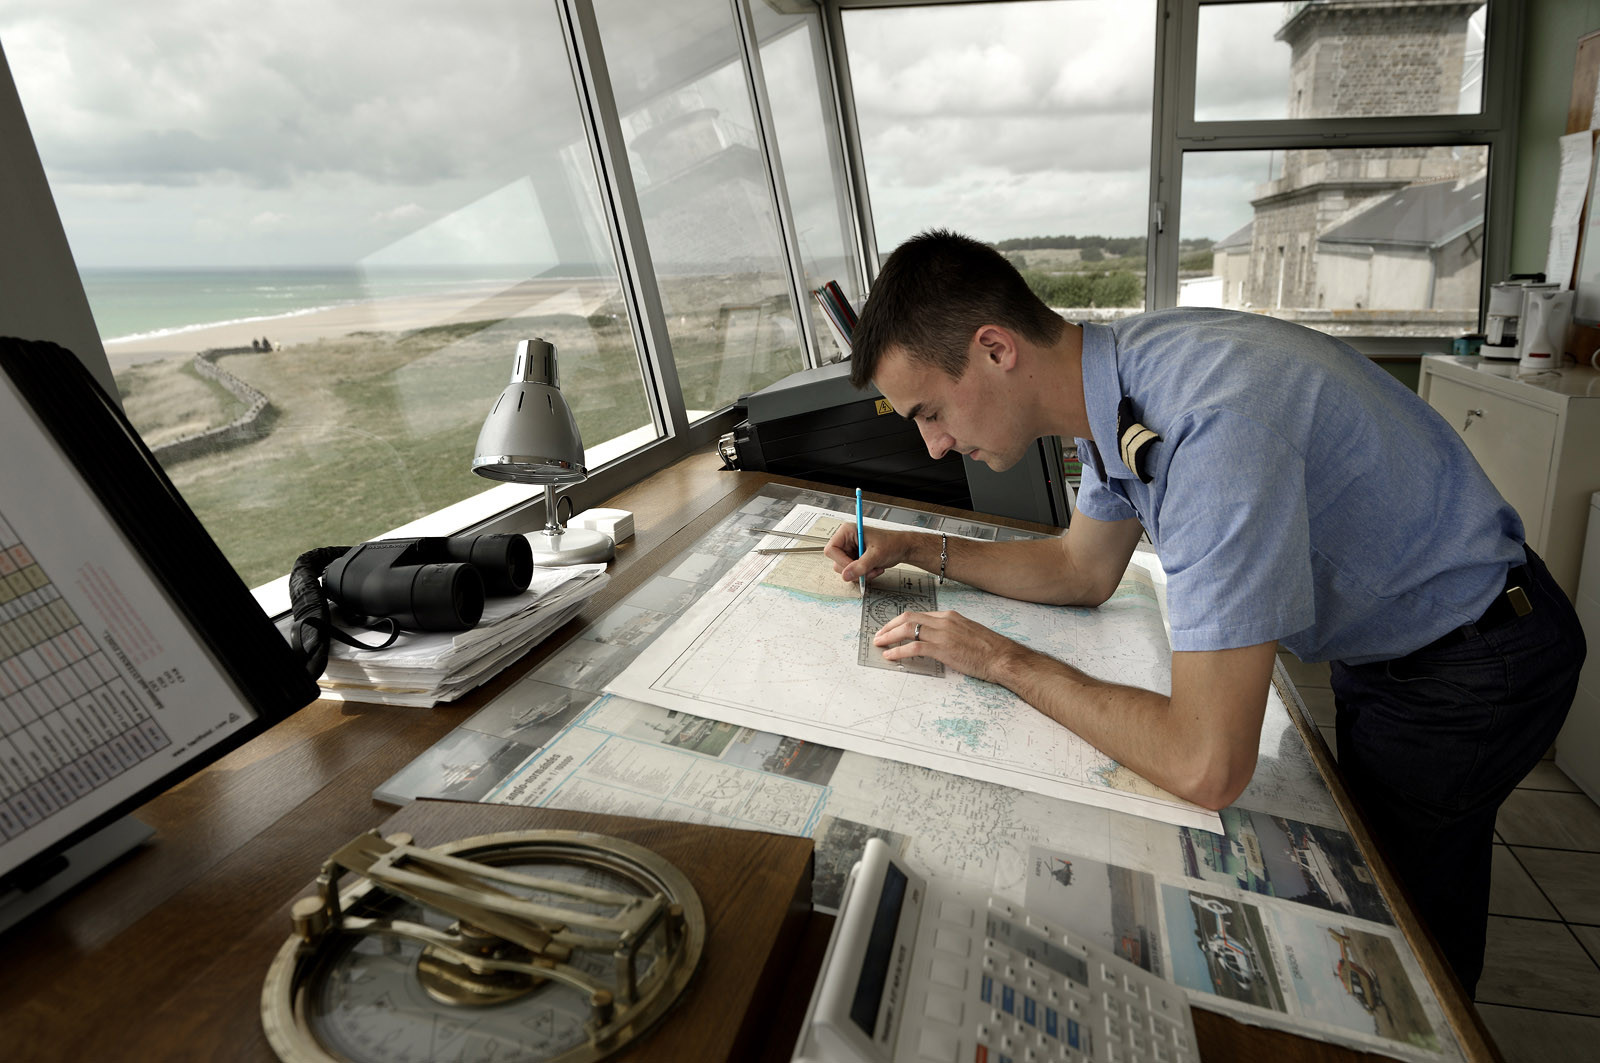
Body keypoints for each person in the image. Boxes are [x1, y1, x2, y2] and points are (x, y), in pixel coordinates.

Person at [823, 229, 1585, 997]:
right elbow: (1080, 567)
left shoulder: (1211, 430)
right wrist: (915, 547)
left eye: (930, 411)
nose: (933, 445)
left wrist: (1000, 659)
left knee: (1411, 949)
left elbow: (1206, 763)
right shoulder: (1113, 378)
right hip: (1395, 641)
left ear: (994, 349)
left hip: (1472, 656)